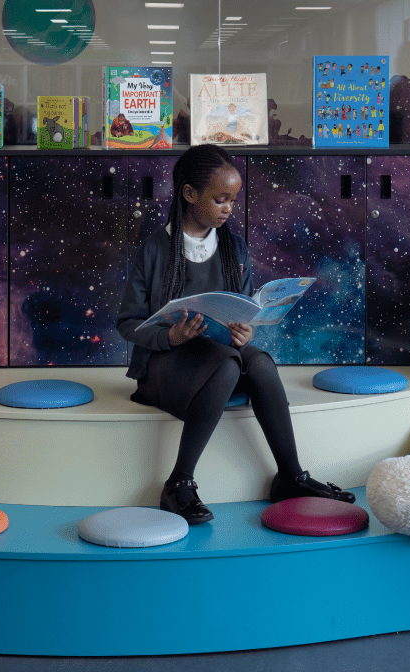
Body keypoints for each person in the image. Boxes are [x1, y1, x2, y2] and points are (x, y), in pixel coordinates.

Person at [117, 144, 354, 525]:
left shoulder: (234, 248)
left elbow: (242, 310)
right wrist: (171, 338)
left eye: (233, 199)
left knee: (258, 362)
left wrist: (245, 333)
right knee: (227, 364)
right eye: (220, 199)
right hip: (165, 367)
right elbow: (128, 323)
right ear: (190, 194)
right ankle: (179, 482)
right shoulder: (155, 248)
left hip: (215, 356)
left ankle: (291, 475)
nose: (229, 208)